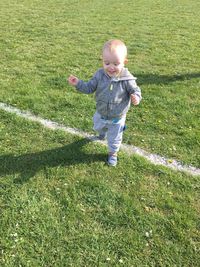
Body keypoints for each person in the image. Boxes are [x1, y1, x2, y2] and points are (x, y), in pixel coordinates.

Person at [68, 39, 142, 166]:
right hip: (101, 112)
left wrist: (136, 97)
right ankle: (101, 133)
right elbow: (89, 88)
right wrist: (78, 84)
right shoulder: (99, 75)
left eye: (116, 63)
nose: (111, 67)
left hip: (117, 117)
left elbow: (135, 90)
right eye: (107, 63)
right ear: (102, 60)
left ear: (124, 62)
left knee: (114, 138)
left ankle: (113, 153)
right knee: (97, 127)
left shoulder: (127, 79)